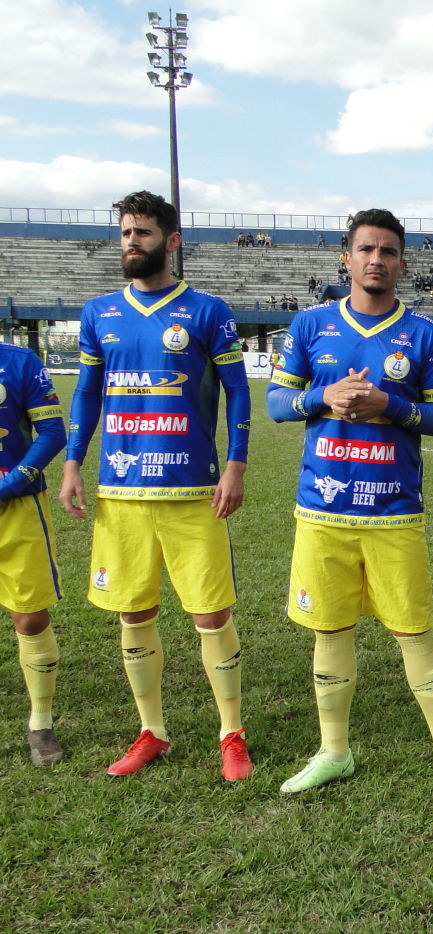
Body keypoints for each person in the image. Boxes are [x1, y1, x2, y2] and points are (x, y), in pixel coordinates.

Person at [267, 208, 433, 795]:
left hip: (393, 511)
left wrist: (389, 406)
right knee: (329, 632)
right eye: (366, 249)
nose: (376, 260)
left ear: (402, 262)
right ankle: (334, 750)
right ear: (347, 257)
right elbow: (277, 406)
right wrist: (323, 396)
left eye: (388, 251)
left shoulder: (425, 333)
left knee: (415, 631)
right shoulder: (310, 326)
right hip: (322, 510)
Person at [60, 190, 252, 780]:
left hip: (193, 491)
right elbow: (88, 394)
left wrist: (236, 464)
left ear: (171, 241)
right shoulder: (99, 314)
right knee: (134, 614)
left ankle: (231, 734)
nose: (131, 243)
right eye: (124, 233)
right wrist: (72, 463)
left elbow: (238, 390)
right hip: (121, 492)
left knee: (210, 616)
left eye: (142, 233)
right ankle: (151, 731)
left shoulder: (207, 310)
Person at [1, 343, 67, 765]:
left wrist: (8, 486)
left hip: (16, 508)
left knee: (30, 615)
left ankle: (40, 724)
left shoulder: (19, 362)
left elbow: (52, 433)